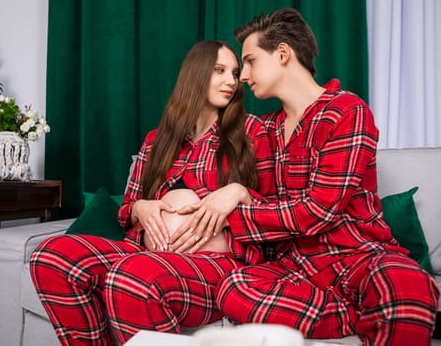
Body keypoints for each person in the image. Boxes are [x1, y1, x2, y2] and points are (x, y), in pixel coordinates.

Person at [167, 8, 440, 346]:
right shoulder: (261, 129)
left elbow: (319, 211)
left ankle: (372, 306)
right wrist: (151, 205)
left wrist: (236, 208)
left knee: (406, 282)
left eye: (250, 62)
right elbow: (204, 163)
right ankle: (363, 316)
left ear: (282, 54)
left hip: (358, 255)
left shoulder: (346, 111)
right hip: (293, 266)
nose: (244, 76)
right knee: (235, 288)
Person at [30, 40, 276, 346]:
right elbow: (127, 209)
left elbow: (275, 212)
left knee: (132, 277)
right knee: (51, 256)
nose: (232, 80)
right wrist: (140, 208)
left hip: (218, 265)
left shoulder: (252, 132)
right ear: (195, 74)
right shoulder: (157, 140)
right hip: (149, 254)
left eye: (235, 72)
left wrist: (238, 193)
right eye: (219, 70)